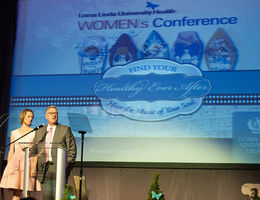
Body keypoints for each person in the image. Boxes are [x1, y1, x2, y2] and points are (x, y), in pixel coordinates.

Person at [30, 105, 77, 200]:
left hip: (59, 168)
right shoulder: (39, 131)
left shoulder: (65, 129)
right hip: (44, 169)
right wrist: (34, 167)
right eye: (51, 113)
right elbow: (34, 151)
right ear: (46, 116)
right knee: (47, 197)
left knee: (58, 197)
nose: (54, 115)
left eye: (56, 113)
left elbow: (72, 150)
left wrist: (65, 166)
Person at [0, 109, 40, 200]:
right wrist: (9, 166)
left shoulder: (34, 132)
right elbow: (11, 151)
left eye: (32, 117)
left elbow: (35, 152)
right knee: (16, 193)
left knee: (27, 193)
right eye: (28, 116)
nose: (30, 119)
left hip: (28, 163)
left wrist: (34, 167)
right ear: (23, 117)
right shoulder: (14, 133)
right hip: (16, 163)